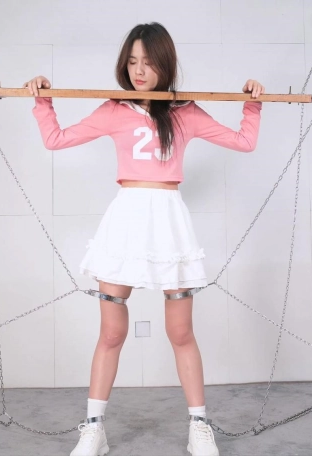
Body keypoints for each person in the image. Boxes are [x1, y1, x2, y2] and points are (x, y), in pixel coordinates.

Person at [24, 22, 263, 456]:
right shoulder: (114, 109)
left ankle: (199, 426)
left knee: (181, 331)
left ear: (164, 64)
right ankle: (94, 429)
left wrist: (253, 104)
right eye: (132, 61)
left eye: (148, 62)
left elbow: (245, 142)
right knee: (112, 332)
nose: (139, 70)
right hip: (127, 219)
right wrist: (43, 100)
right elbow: (56, 139)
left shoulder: (186, 112)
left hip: (169, 220)